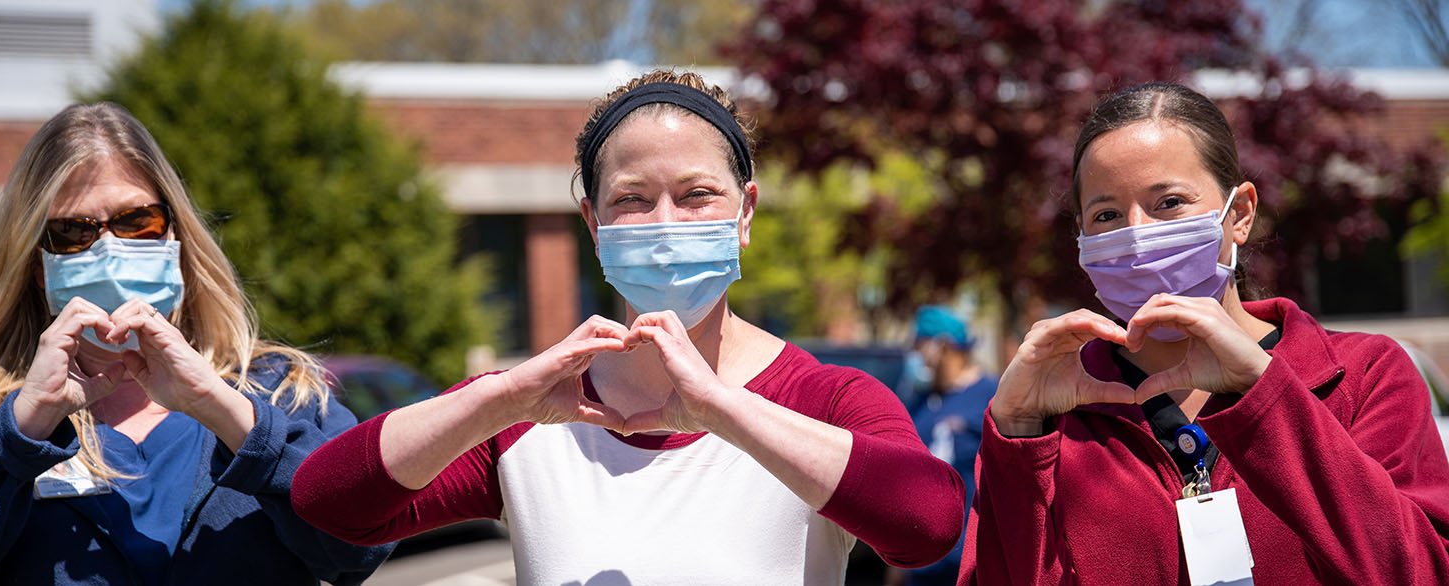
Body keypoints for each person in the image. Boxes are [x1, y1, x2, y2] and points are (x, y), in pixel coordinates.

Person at [291, 70, 965, 584]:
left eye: (698, 195)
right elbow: (330, 503)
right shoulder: (534, 416)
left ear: (746, 213)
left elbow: (929, 524)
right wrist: (496, 399)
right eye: (632, 201)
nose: (667, 224)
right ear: (593, 224)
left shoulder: (828, 399)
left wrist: (726, 412)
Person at [0, 103, 392, 585]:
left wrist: (226, 411)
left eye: (137, 221)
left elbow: (361, 544)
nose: (108, 249)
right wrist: (14, 437)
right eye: (73, 232)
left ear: (175, 237)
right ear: (37, 265)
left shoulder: (279, 389)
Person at [960, 82, 1449, 585]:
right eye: (1106, 215)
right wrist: (1019, 437)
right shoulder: (1052, 406)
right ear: (1081, 237)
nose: (1137, 236)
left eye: (1169, 202)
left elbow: (1422, 571)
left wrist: (1269, 398)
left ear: (1238, 215)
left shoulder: (1364, 376)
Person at [893, 306, 996, 586]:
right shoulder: (917, 404)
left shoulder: (992, 397)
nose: (916, 354)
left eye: (920, 345)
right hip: (923, 563)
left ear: (944, 345)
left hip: (975, 560)